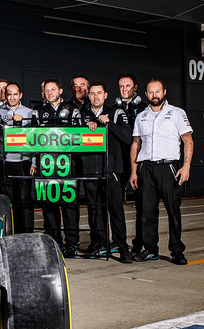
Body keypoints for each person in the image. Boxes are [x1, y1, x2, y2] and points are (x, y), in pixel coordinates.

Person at [129, 78, 194, 265]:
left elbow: (188, 140)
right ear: (146, 94)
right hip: (147, 168)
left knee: (173, 211)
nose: (154, 95)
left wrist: (186, 165)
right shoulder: (141, 116)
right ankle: (151, 250)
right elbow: (136, 144)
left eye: (157, 91)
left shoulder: (176, 113)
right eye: (150, 92)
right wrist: (134, 171)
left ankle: (176, 251)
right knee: (147, 212)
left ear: (164, 92)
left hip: (169, 168)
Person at [80, 81, 133, 263]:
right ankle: (99, 243)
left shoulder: (115, 113)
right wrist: (86, 125)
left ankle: (122, 247)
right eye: (92, 93)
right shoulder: (82, 114)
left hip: (111, 171)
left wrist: (109, 124)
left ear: (105, 95)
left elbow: (127, 137)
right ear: (88, 95)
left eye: (99, 93)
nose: (96, 96)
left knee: (116, 210)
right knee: (95, 212)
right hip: (90, 172)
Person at [36, 79, 82, 256]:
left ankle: (72, 242)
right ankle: (53, 241)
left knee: (69, 205)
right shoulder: (38, 112)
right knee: (49, 205)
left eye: (53, 89)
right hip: (46, 165)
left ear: (61, 91)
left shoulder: (72, 110)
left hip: (68, 165)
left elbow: (79, 136)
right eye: (47, 90)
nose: (50, 93)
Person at [0, 82, 36, 233]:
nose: (12, 97)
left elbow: (34, 139)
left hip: (23, 161)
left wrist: (33, 162)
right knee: (8, 200)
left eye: (15, 94)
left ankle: (27, 232)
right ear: (5, 96)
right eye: (9, 94)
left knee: (25, 199)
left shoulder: (29, 112)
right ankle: (10, 232)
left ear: (20, 95)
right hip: (5, 162)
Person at [116, 72, 149, 254]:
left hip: (139, 162)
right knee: (115, 204)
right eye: (121, 86)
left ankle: (140, 243)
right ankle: (119, 242)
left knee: (142, 206)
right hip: (119, 163)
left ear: (135, 88)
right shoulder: (114, 109)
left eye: (127, 86)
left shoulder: (145, 110)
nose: (124, 89)